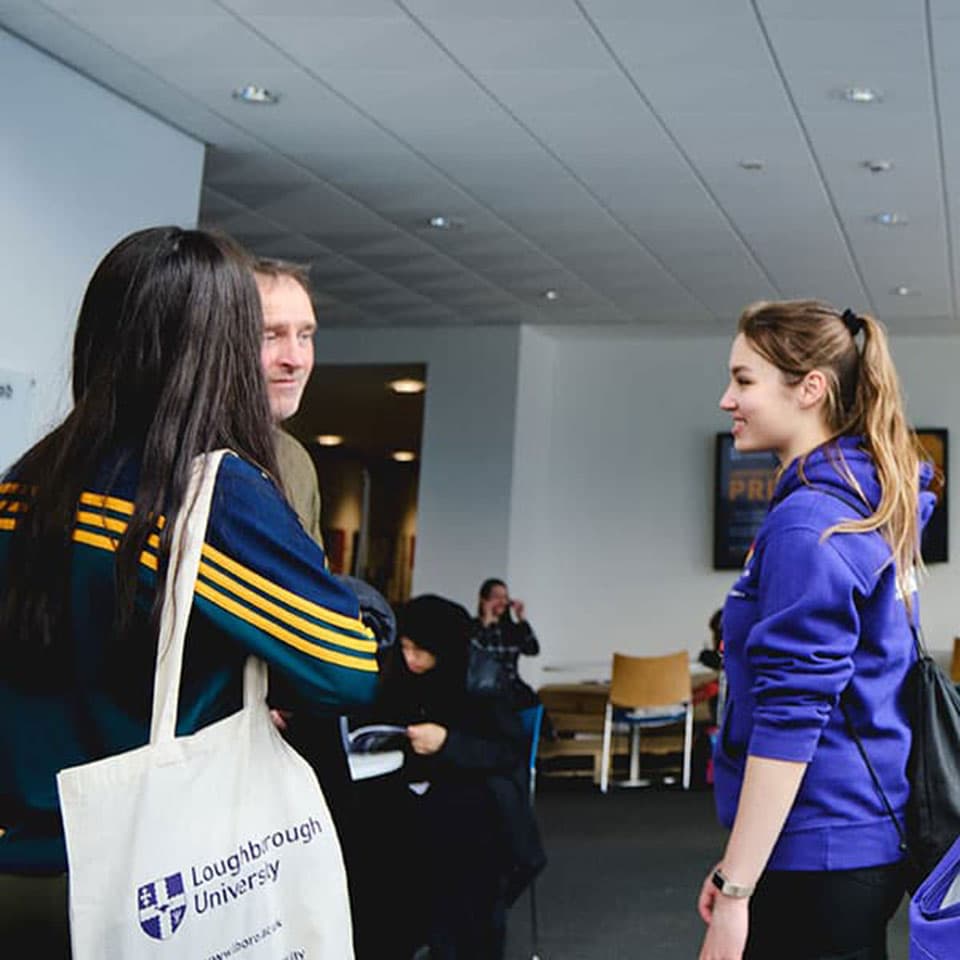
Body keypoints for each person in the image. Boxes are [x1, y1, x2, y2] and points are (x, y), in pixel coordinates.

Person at [0, 227, 379, 953]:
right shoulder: (215, 495)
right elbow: (346, 670)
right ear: (225, 347)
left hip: (19, 868)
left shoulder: (25, 485)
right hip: (138, 888)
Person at [698, 300, 937, 960]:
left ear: (811, 389)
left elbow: (791, 715)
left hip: (825, 846)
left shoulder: (811, 524)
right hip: (841, 837)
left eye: (744, 380)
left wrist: (737, 887)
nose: (727, 399)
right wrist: (737, 864)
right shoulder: (854, 503)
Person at [362, 594, 545, 960]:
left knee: (455, 852)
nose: (411, 658)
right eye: (405, 647)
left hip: (475, 799)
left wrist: (448, 743)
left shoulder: (482, 678)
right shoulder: (399, 672)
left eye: (420, 650)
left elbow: (505, 750)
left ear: (442, 648)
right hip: (413, 791)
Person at [254, 256, 323, 544]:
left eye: (304, 336)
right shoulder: (174, 448)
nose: (295, 360)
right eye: (271, 336)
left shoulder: (293, 461)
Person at [469, 577, 541, 709]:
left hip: (512, 688)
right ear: (484, 600)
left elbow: (533, 649)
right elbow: (478, 654)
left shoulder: (511, 629)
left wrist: (521, 619)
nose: (502, 601)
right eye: (496, 596)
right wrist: (486, 622)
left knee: (536, 705)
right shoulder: (472, 627)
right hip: (484, 689)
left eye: (505, 597)